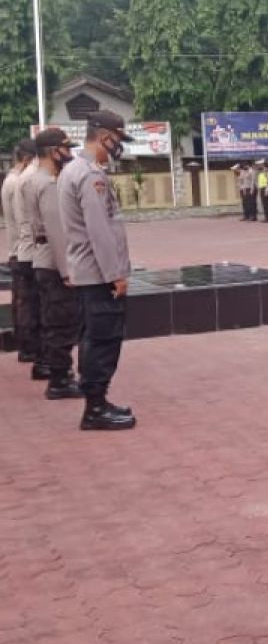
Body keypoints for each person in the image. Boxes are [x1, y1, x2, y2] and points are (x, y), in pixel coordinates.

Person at [57, 110, 137, 430]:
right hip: (98, 273)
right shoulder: (90, 175)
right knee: (103, 337)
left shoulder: (74, 169)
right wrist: (115, 274)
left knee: (93, 336)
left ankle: (97, 402)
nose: (119, 146)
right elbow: (99, 231)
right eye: (118, 139)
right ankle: (95, 408)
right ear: (104, 135)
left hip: (87, 271)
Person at [27, 128, 85, 400]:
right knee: (61, 322)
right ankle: (61, 380)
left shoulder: (35, 178)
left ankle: (59, 375)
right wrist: (68, 271)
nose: (70, 154)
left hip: (43, 260)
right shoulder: (48, 183)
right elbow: (57, 231)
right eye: (66, 149)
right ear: (54, 151)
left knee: (54, 319)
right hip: (53, 262)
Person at [4, 139, 42, 370]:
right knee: (28, 303)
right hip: (23, 250)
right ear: (28, 158)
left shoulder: (11, 181)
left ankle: (26, 347)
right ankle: (29, 347)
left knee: (23, 302)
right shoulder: (18, 182)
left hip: (17, 249)